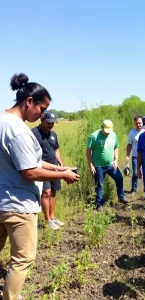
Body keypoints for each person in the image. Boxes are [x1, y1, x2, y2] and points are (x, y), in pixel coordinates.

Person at [0, 73, 79, 300]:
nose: (43, 115)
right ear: (29, 102)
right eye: (42, 109)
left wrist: (59, 170)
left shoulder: (2, 121)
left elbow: (32, 161)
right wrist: (63, 176)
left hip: (1, 201)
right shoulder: (19, 130)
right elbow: (30, 171)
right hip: (18, 206)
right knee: (23, 259)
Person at [32, 111, 65, 230]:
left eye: (53, 123)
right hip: (42, 168)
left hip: (55, 167)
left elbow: (56, 149)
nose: (51, 125)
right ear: (42, 120)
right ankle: (48, 220)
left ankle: (53, 217)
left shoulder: (53, 134)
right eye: (48, 123)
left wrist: (60, 162)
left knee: (54, 192)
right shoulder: (33, 133)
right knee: (46, 192)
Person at [86, 120, 128, 211]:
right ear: (102, 127)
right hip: (98, 166)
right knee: (99, 185)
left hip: (110, 164)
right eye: (105, 131)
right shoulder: (94, 136)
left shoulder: (113, 135)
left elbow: (116, 147)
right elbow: (88, 151)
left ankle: (121, 197)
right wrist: (91, 165)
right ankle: (99, 204)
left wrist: (116, 160)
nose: (107, 133)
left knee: (119, 178)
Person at [125, 116, 145, 194]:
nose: (138, 125)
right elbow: (129, 145)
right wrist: (127, 156)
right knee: (135, 173)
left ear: (142, 123)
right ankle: (134, 189)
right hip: (135, 156)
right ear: (134, 124)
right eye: (136, 123)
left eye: (140, 123)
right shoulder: (132, 133)